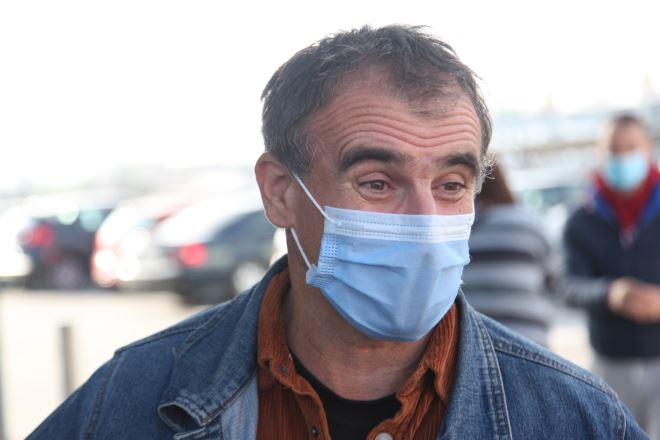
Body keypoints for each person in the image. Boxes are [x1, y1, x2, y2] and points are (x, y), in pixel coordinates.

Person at [29, 25, 645, 440]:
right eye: (377, 183)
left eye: (452, 184)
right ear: (279, 191)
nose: (426, 223)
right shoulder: (133, 399)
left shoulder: (576, 417)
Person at [563, 114, 660, 438]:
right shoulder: (581, 219)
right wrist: (609, 295)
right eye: (614, 150)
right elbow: (568, 285)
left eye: (631, 148)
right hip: (609, 364)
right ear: (600, 154)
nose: (623, 158)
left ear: (648, 149)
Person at [462, 162, 554, 346]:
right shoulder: (528, 224)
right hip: (529, 338)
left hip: (474, 341)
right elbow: (553, 279)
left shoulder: (460, 229)